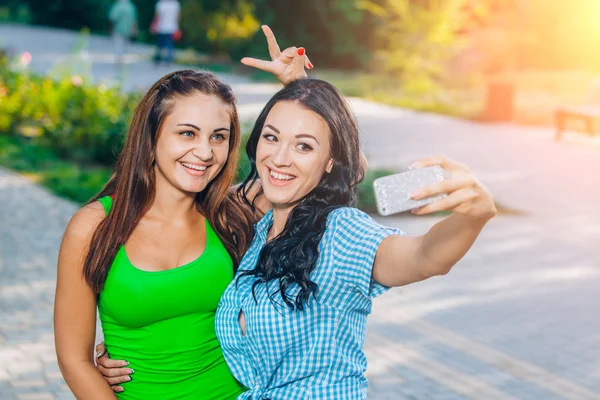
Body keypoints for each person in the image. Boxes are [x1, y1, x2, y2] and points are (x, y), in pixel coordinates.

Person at [96, 78, 496, 399]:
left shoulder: (340, 231)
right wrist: (132, 355)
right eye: (272, 138)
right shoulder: (254, 226)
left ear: (329, 161)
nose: (280, 157)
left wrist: (473, 215)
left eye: (303, 146)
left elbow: (424, 257)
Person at [54, 27, 312, 399]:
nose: (205, 152)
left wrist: (299, 89)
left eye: (218, 137)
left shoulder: (235, 212)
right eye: (187, 133)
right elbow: (74, 360)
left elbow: (337, 172)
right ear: (152, 136)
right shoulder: (95, 226)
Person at [151, 0, 181, 66]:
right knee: (169, 44)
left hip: (161, 27)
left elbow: (157, 16)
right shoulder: (175, 3)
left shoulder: (161, 3)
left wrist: (154, 25)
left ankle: (158, 59)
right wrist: (177, 26)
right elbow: (178, 16)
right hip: (172, 27)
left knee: (160, 44)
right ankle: (168, 60)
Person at [108, 0, 138, 65]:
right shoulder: (131, 6)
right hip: (128, 29)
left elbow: (113, 18)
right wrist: (135, 29)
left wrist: (110, 29)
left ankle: (120, 58)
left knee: (119, 44)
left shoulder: (117, 6)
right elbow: (134, 19)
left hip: (118, 28)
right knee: (126, 44)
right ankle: (123, 57)